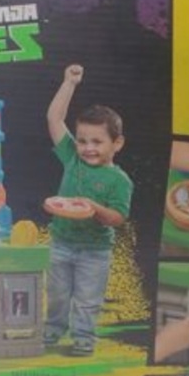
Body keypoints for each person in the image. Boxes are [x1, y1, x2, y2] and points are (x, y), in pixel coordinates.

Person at [44, 64, 133, 357]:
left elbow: (118, 218)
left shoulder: (120, 181)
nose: (87, 148)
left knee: (87, 299)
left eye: (97, 141)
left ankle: (83, 338)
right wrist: (69, 83)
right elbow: (54, 118)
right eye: (82, 141)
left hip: (95, 251)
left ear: (117, 143)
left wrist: (94, 208)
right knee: (57, 294)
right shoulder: (72, 158)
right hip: (61, 243)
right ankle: (53, 329)